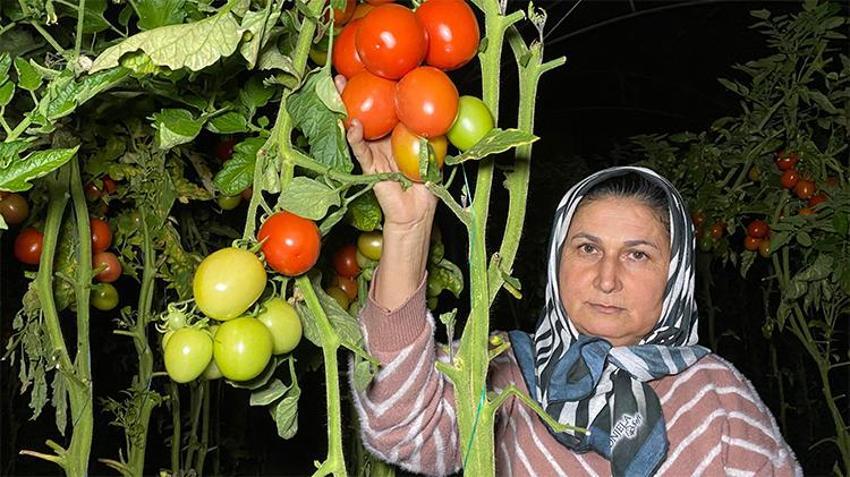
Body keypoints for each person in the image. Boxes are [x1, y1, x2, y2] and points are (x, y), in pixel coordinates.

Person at [337, 78, 801, 477]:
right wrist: (409, 229)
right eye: (587, 248)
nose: (605, 279)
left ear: (675, 276)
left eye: (637, 255)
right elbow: (401, 429)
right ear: (558, 261)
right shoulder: (506, 371)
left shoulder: (716, 397)